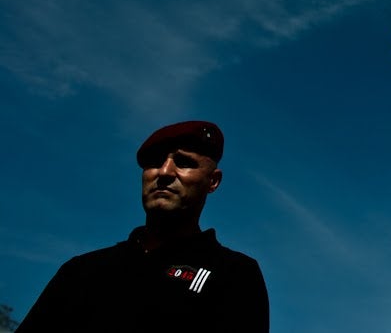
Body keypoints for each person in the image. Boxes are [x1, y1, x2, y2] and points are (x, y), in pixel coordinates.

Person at [18, 121, 269, 332]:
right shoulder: (81, 270)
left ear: (213, 181)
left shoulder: (234, 273)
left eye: (183, 162)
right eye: (154, 162)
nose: (165, 172)